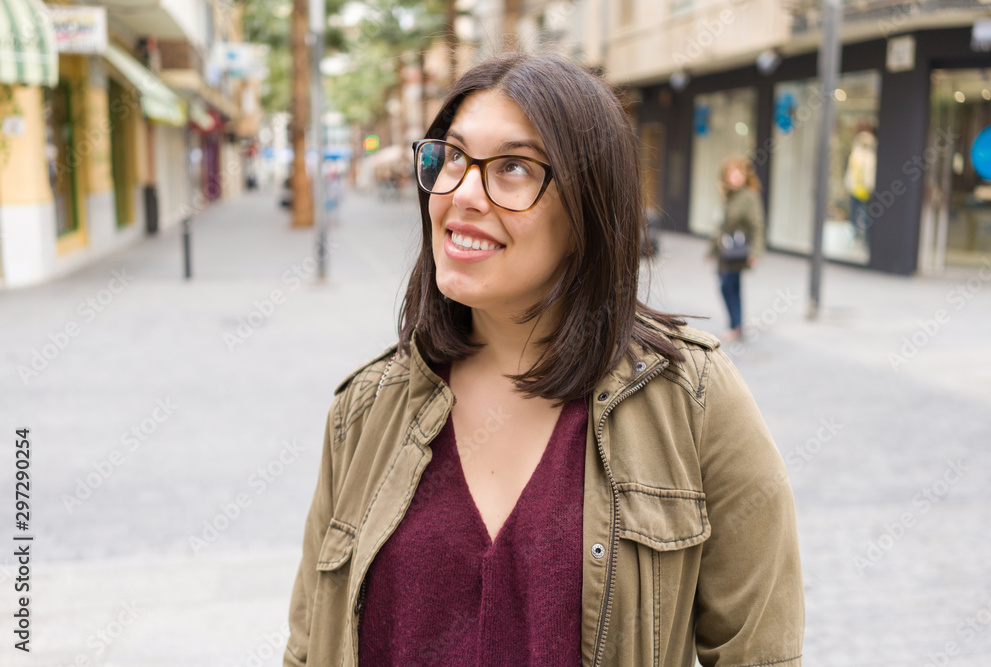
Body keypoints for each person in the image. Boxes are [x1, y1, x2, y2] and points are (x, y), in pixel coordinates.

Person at [284, 53, 803, 667]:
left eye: (511, 167)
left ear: (587, 206)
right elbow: (308, 648)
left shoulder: (694, 401)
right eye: (452, 156)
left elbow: (759, 656)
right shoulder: (363, 411)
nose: (463, 193)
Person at [709, 156, 766, 343]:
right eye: (729, 174)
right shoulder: (728, 195)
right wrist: (711, 251)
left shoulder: (749, 196)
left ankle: (735, 326)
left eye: (737, 173)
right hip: (725, 251)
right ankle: (736, 325)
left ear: (744, 175)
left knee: (728, 286)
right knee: (731, 286)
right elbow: (720, 226)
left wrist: (755, 252)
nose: (733, 177)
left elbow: (757, 225)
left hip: (737, 251)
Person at [843, 127, 877, 244]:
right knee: (854, 215)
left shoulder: (870, 157)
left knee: (865, 215)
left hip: (865, 192)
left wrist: (870, 187)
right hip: (855, 190)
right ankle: (855, 236)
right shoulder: (855, 155)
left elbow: (870, 174)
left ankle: (866, 238)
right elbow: (850, 172)